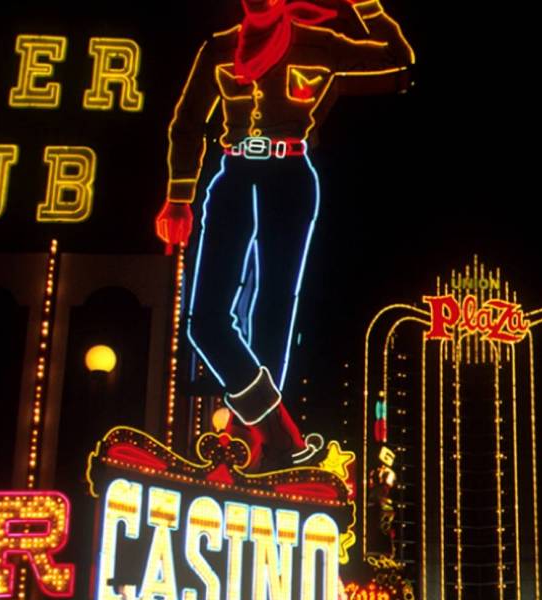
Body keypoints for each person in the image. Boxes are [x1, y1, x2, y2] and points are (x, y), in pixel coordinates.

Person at [154, 0, 414, 470]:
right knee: (205, 320)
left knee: (274, 312)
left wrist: (368, 7)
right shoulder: (220, 48)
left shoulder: (319, 44)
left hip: (290, 177)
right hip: (233, 175)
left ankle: (259, 444)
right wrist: (178, 196)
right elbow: (188, 122)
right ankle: (280, 431)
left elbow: (398, 64)